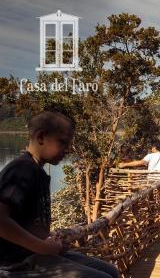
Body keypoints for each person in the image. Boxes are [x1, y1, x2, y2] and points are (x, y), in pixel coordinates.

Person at [0, 110, 119, 278]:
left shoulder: (37, 172)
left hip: (36, 254)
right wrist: (43, 247)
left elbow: (27, 220)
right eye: (63, 142)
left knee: (111, 271)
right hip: (16, 263)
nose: (68, 150)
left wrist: (48, 238)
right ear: (41, 137)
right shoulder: (22, 169)